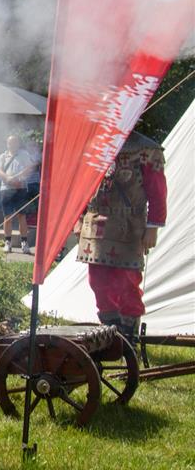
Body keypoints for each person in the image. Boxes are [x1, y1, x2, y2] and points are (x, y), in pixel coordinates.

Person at [76, 132, 167, 343]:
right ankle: (110, 336)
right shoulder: (96, 145)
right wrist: (78, 218)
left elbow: (157, 192)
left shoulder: (147, 150)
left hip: (129, 224)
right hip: (96, 224)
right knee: (97, 281)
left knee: (127, 282)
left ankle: (128, 339)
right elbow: (83, 185)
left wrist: (153, 227)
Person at [0, 135, 35, 254]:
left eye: (15, 142)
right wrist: (8, 179)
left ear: (18, 144)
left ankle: (24, 242)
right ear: (7, 144)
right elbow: (0, 171)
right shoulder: (2, 156)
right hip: (6, 188)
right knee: (7, 217)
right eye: (10, 143)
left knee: (21, 216)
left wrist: (17, 178)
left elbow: (29, 168)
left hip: (20, 188)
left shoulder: (24, 154)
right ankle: (8, 242)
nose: (12, 145)